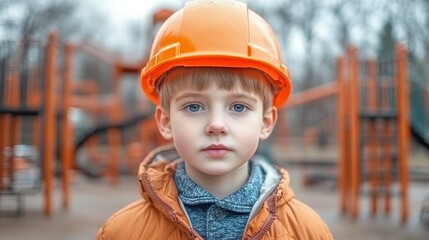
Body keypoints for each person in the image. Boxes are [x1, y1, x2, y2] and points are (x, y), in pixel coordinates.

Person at [97, 1, 333, 239]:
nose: (217, 125)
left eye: (239, 107)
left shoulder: (307, 231)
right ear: (166, 122)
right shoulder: (123, 232)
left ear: (266, 122)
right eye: (194, 106)